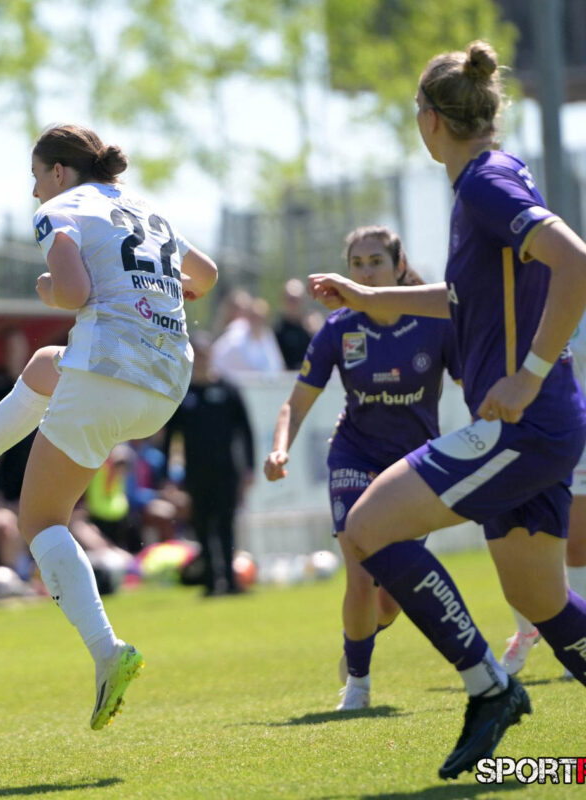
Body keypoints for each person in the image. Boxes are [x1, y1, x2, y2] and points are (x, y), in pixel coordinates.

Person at [308, 41, 586, 780]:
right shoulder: (492, 181)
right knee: (540, 598)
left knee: (367, 529)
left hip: (522, 423)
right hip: (541, 423)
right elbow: (464, 301)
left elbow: (577, 263)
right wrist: (374, 298)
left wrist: (526, 376)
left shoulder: (485, 187)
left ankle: (489, 688)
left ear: (429, 120)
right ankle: (495, 688)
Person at [0, 123, 218, 730]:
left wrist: (46, 288)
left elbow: (74, 292)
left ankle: (108, 652)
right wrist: (165, 288)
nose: (35, 193)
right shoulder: (146, 210)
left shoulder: (62, 207)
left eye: (36, 177)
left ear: (59, 172)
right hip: (167, 386)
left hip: (110, 372)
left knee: (38, 522)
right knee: (44, 365)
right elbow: (207, 274)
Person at [264, 226, 460, 710]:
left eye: (375, 261)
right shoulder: (338, 329)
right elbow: (296, 402)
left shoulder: (436, 324)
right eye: (357, 263)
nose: (366, 270)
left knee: (390, 597)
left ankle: (358, 644)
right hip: (354, 455)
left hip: (415, 464)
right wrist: (279, 448)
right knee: (358, 570)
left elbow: (470, 383)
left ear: (397, 267)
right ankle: (358, 684)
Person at [501, 308, 586, 678]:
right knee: (521, 540)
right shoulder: (535, 297)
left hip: (576, 430)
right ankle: (527, 629)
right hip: (537, 431)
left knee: (577, 543)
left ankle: (577, 637)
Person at [164, 331, 255, 596]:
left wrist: (248, 467)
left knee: (226, 524)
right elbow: (171, 437)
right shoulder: (185, 394)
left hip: (227, 471)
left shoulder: (228, 389)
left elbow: (245, 431)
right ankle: (211, 582)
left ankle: (230, 579)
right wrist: (167, 475)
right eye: (197, 356)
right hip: (196, 472)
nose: (202, 361)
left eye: (204, 355)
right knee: (203, 525)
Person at [211, 296, 286, 380]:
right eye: (254, 317)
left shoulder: (268, 337)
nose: (257, 321)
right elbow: (217, 360)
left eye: (261, 318)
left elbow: (277, 366)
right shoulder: (235, 335)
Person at [273, 278, 314, 370]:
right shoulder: (276, 332)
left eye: (297, 300)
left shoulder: (311, 331)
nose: (294, 304)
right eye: (290, 299)